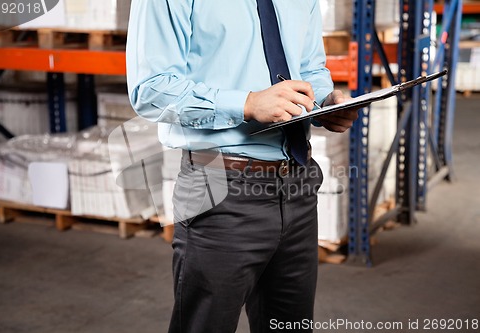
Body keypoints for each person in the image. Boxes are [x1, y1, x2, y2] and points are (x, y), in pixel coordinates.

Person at [126, 1, 360, 332]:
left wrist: (324, 102)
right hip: (220, 187)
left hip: (297, 184)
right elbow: (150, 88)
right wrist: (246, 104)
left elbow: (309, 68)